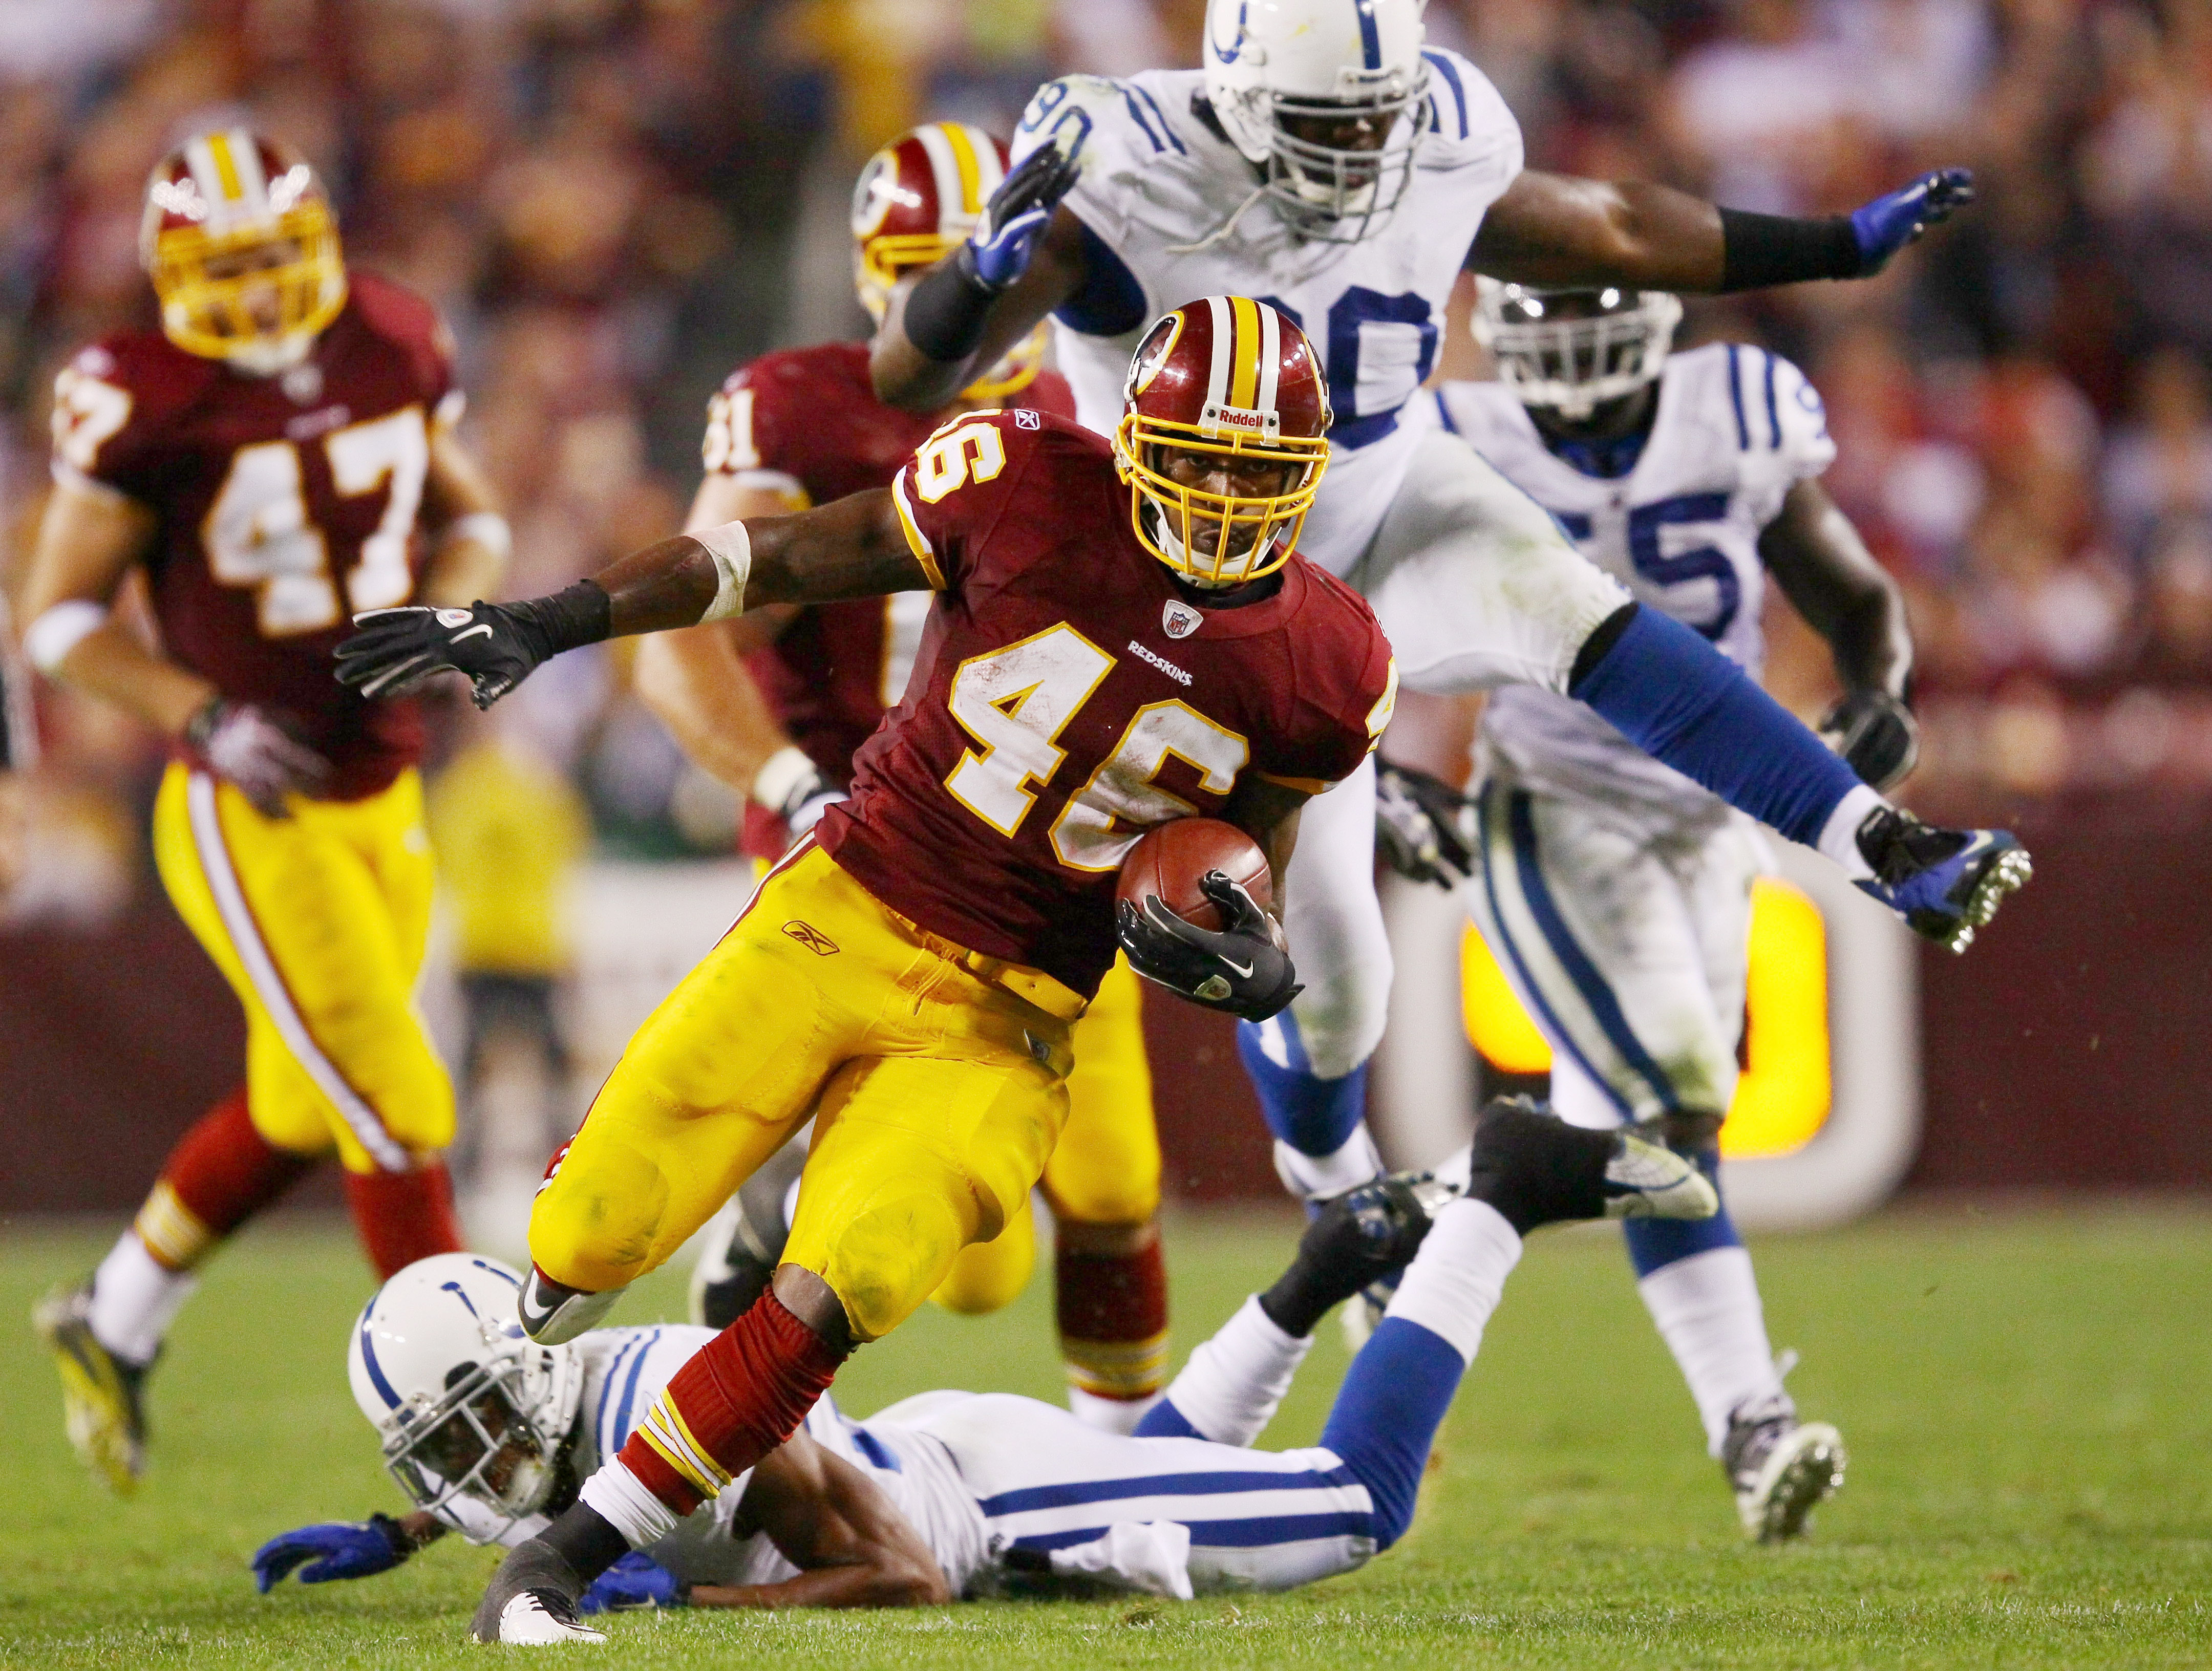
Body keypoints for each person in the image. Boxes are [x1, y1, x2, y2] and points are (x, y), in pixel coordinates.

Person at [333, 295, 1403, 1642]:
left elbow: (1254, 873)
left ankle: (559, 1560)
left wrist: (1246, 965)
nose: (1221, 500)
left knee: (850, 1281)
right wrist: (554, 619)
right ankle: (458, 1491)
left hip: (1004, 1017)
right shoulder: (1018, 482)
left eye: (1255, 474)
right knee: (583, 1232)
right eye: (1194, 461)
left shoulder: (1331, 666)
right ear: (1132, 439)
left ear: (1309, 476)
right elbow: (773, 560)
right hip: (844, 908)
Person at [865, 0, 2025, 1224]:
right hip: (1204, 590)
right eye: (1333, 123)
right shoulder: (1125, 168)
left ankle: (1880, 845)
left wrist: (1834, 245)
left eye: (1384, 115)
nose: (1369, 150)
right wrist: (971, 278)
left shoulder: (1445, 131)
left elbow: (1615, 228)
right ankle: (1332, 1190)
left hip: (1381, 488)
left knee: (1578, 611)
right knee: (1341, 989)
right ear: (1242, 99)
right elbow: (909, 376)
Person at [251, 1098, 1717, 1629]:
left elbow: (908, 1577)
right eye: (443, 1456)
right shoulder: (565, 1408)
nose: (472, 1472)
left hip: (970, 1510)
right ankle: (1323, 1267)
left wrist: (691, 1604)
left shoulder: (672, 1417)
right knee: (1156, 1474)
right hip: (947, 1455)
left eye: (463, 1444)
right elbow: (553, 1464)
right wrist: (406, 1528)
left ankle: (1504, 1187)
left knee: (1354, 1506)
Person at [634, 121, 1171, 1429]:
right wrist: (780, 778)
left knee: (1108, 1190)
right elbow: (683, 649)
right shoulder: (803, 407)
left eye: (997, 263)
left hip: (1046, 864)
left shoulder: (1096, 411)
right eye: (942, 267)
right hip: (867, 850)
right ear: (879, 275)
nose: (976, 297)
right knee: (875, 1228)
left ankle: (1117, 1490)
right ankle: (735, 1413)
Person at [1387, 282, 1920, 1539]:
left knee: (1659, 1133)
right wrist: (1377, 772)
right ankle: (1751, 1426)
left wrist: (1881, 691)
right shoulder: (1456, 434)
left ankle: (1416, 1217)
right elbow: (1332, 621)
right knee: (1673, 1099)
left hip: (1712, 813)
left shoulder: (1733, 409)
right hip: (1555, 808)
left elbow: (1851, 596)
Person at [23, 128, 509, 1495]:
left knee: (307, 1104)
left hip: (384, 784)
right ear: (169, 270)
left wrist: (468, 606)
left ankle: (112, 1319)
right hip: (253, 806)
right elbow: (54, 620)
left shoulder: (397, 336)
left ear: (320, 246)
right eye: (219, 270)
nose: (249, 296)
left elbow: (471, 514)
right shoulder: (138, 393)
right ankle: (469, 1439)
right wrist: (197, 713)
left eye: (271, 262)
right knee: (402, 1104)